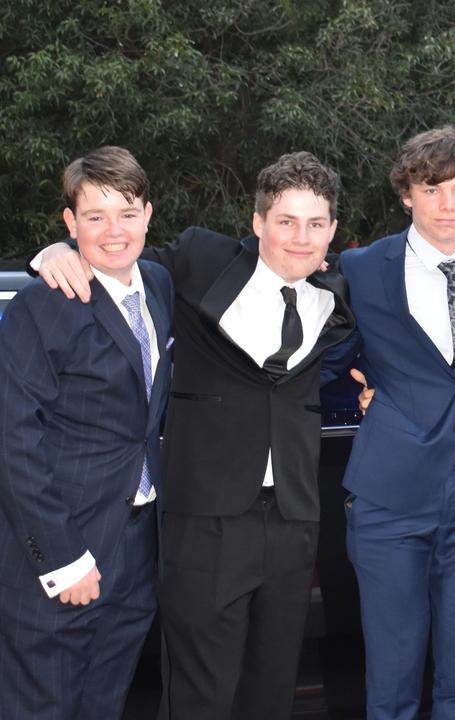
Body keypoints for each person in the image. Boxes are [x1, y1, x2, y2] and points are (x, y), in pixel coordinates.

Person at [32, 152, 360, 719]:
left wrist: (371, 381)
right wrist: (58, 251)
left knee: (273, 693)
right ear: (258, 223)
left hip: (294, 523)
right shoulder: (200, 260)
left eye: (315, 224)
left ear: (332, 230)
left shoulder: (337, 296)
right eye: (285, 221)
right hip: (204, 525)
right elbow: (118, 258)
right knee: (198, 699)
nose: (300, 238)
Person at [339, 127, 455, 720]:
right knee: (392, 673)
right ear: (406, 196)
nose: (447, 204)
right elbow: (321, 347)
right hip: (390, 493)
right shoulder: (363, 267)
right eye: (432, 189)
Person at [0, 146, 172, 720]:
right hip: (64, 552)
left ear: (148, 213)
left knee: (105, 704)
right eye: (94, 217)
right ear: (71, 224)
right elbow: (14, 440)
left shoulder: (159, 285)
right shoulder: (42, 307)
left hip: (136, 550)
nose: (114, 230)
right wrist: (64, 558)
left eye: (126, 212)